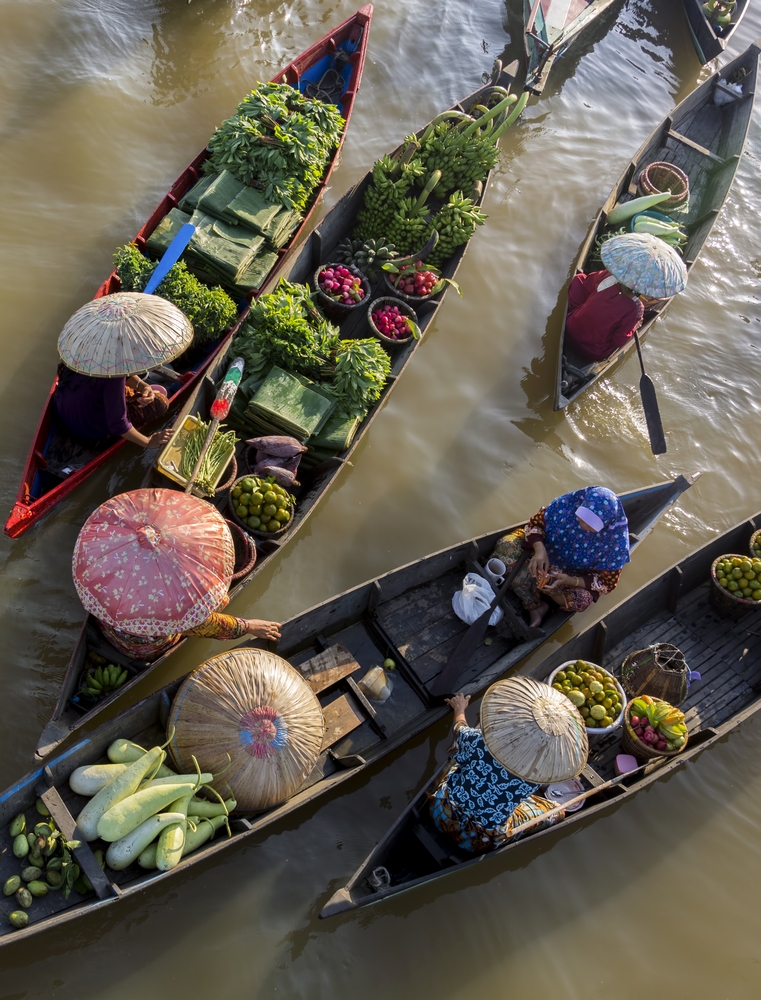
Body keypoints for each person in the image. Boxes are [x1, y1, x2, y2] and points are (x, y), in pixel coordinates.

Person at [428, 693, 563, 854]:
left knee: (458, 760)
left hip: (440, 811)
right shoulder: (539, 774)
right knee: (557, 811)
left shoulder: (480, 740)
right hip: (477, 840)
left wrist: (459, 708)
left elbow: (460, 728)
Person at [492, 485, 630, 628]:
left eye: (591, 526)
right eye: (581, 518)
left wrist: (571, 580)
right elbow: (535, 524)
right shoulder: (567, 504)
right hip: (541, 552)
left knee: (582, 600)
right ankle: (534, 603)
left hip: (567, 575)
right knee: (506, 545)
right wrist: (540, 551)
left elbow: (606, 584)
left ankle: (539, 598)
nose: (582, 526)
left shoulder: (615, 544)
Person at [97, 598, 282, 661]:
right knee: (220, 600)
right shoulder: (167, 608)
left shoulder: (111, 570)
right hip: (141, 649)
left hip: (106, 629)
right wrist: (249, 626)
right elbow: (210, 625)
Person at [53, 364, 172, 449]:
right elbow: (118, 425)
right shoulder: (113, 373)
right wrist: (149, 442)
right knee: (160, 403)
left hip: (63, 414)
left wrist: (142, 385)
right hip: (92, 435)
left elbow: (122, 374)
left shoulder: (77, 354)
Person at [564, 269, 644, 363]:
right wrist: (635, 326)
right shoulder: (636, 308)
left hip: (568, 330)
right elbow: (618, 341)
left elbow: (587, 282)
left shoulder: (608, 276)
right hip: (591, 353)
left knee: (579, 279)